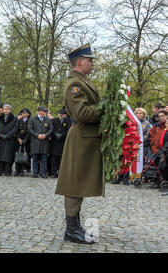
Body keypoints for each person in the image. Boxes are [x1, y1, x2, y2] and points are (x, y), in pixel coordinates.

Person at [55, 44, 103, 244]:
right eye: (90, 60)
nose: (93, 63)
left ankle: (74, 226)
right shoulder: (74, 84)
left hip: (86, 139)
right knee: (74, 184)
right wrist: (105, 108)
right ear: (80, 62)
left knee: (79, 183)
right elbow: (82, 113)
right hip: (81, 138)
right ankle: (71, 229)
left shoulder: (82, 82)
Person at [28, 106, 53, 178]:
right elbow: (29, 129)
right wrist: (37, 135)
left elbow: (51, 129)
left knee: (44, 158)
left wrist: (46, 135)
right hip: (35, 141)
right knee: (35, 157)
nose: (45, 113)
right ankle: (35, 172)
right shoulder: (32, 119)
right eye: (44, 111)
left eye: (46, 112)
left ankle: (44, 172)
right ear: (39, 111)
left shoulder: (48, 120)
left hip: (44, 141)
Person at [0, 104, 18, 176]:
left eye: (7, 109)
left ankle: (8, 171)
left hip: (9, 139)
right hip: (0, 139)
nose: (6, 110)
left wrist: (8, 135)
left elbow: (15, 129)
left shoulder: (14, 119)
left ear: (10, 110)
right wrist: (0, 135)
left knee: (8, 155)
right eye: (4, 109)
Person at [49, 108, 72, 178]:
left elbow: (69, 130)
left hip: (63, 141)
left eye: (62, 114)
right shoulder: (54, 120)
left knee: (61, 159)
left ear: (65, 115)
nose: (61, 115)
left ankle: (60, 173)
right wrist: (55, 135)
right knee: (53, 158)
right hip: (54, 142)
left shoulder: (68, 121)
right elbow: (51, 129)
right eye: (60, 114)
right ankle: (53, 173)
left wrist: (62, 136)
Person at [148, 109, 167, 189]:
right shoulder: (156, 126)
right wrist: (154, 148)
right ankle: (157, 182)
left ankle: (162, 182)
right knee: (156, 166)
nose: (161, 118)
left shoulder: (166, 126)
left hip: (164, 150)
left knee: (163, 167)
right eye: (160, 116)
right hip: (156, 150)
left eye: (163, 116)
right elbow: (151, 137)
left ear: (166, 116)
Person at [15, 108, 31, 176]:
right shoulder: (19, 120)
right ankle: (17, 170)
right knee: (18, 154)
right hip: (19, 139)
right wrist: (18, 138)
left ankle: (22, 170)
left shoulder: (30, 120)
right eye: (22, 113)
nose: (23, 114)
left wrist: (25, 139)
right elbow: (17, 130)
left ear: (28, 114)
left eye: (25, 113)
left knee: (24, 155)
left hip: (26, 140)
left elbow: (29, 131)